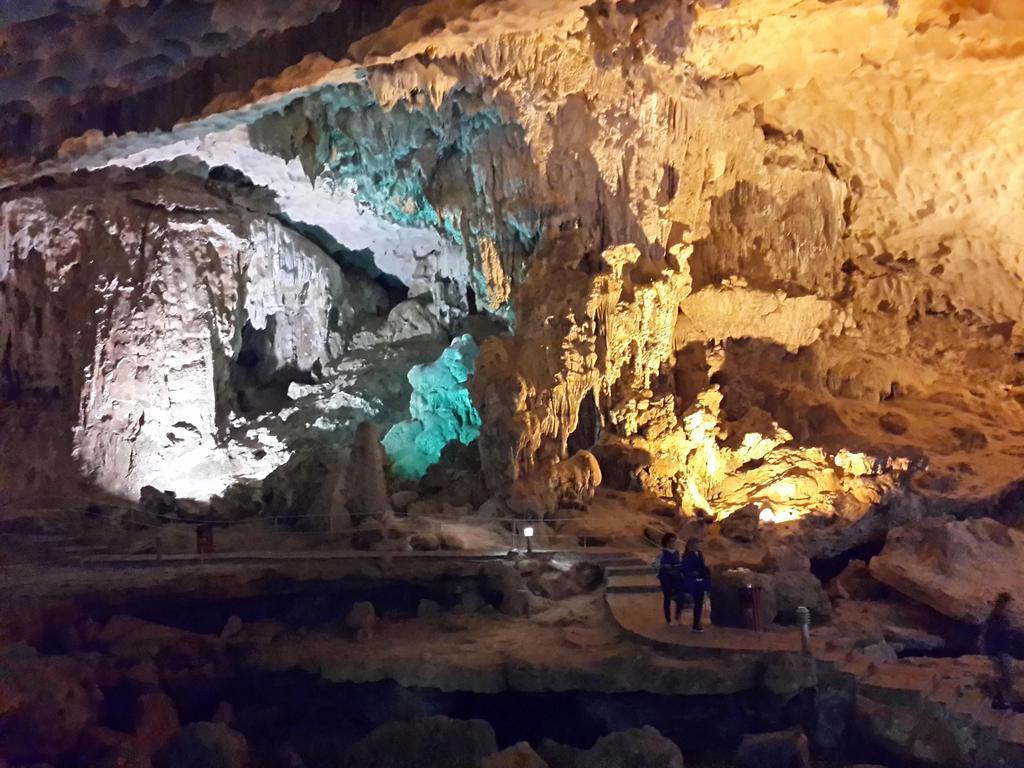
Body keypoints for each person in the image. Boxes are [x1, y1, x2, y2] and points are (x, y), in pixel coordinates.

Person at [982, 592, 1015, 710]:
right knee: (1005, 676)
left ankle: (999, 699)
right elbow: (994, 635)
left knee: (1004, 675)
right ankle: (999, 699)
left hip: (999, 650)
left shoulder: (997, 616)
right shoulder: (997, 617)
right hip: (999, 650)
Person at [680, 537, 711, 632]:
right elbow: (685, 569)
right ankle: (695, 624)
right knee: (697, 602)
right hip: (693, 582)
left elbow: (702, 566)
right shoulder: (687, 556)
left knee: (699, 603)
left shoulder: (699, 554)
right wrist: (693, 573)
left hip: (700, 581)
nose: (699, 545)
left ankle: (696, 623)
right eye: (697, 543)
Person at [653, 532, 683, 625]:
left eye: (674, 541)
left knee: (680, 595)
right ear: (666, 542)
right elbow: (655, 564)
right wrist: (663, 566)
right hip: (666, 576)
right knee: (667, 597)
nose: (673, 543)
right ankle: (668, 618)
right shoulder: (661, 553)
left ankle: (678, 615)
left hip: (677, 576)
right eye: (671, 541)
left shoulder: (678, 552)